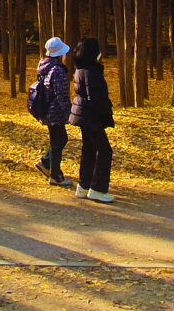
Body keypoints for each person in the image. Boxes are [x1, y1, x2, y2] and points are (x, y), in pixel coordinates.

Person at [68, 37, 115, 203]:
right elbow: (95, 98)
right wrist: (104, 115)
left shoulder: (81, 69)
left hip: (84, 115)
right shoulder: (91, 72)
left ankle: (84, 185)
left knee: (89, 149)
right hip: (90, 116)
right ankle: (97, 189)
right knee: (105, 150)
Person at [34, 37, 74, 188]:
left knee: (60, 139)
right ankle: (55, 175)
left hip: (46, 110)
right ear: (60, 53)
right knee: (58, 141)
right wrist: (69, 113)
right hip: (55, 112)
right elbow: (61, 94)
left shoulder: (45, 67)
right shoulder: (57, 70)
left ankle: (45, 162)